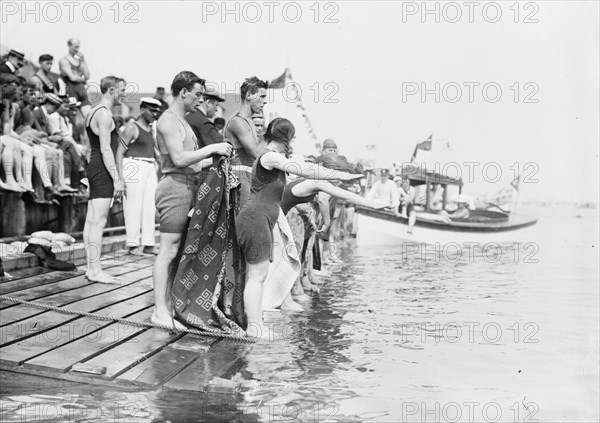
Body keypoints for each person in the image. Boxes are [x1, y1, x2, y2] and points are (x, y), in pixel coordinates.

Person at [235, 117, 362, 339]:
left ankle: (256, 324)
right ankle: (254, 326)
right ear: (284, 139)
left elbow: (309, 168)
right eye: (289, 141)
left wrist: (345, 175)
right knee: (257, 275)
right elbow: (305, 170)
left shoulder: (271, 156)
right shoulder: (270, 156)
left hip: (261, 218)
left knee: (259, 275)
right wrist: (342, 175)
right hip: (255, 218)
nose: (289, 146)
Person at [152, 71, 232, 330]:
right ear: (183, 91)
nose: (200, 99)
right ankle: (159, 311)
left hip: (188, 186)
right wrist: (211, 149)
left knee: (177, 254)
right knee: (168, 251)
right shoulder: (168, 121)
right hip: (174, 187)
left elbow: (194, 162)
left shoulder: (183, 121)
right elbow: (178, 159)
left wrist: (218, 158)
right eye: (197, 94)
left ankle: (169, 307)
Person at [83, 76, 126, 283]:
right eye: (122, 90)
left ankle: (90, 268)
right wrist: (117, 179)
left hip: (94, 166)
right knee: (98, 222)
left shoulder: (92, 111)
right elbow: (106, 148)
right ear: (111, 90)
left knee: (91, 220)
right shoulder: (105, 114)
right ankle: (96, 270)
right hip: (102, 169)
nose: (125, 94)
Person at [115, 97, 162, 255]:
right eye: (151, 110)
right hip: (133, 164)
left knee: (150, 206)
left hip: (150, 166)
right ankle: (132, 244)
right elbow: (119, 153)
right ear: (142, 110)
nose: (154, 113)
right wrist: (120, 179)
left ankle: (148, 243)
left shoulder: (152, 129)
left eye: (157, 111)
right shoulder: (131, 127)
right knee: (133, 205)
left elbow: (156, 152)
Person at [223, 76, 268, 209]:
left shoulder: (249, 121)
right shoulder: (237, 121)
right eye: (261, 97)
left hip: (248, 177)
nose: (264, 102)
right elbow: (256, 153)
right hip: (239, 178)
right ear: (248, 95)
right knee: (240, 225)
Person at [59, 38, 91, 117]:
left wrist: (83, 60)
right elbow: (72, 78)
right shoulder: (64, 60)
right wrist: (83, 79)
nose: (77, 49)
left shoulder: (79, 61)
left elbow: (87, 76)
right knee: (74, 118)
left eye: (78, 47)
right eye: (75, 47)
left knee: (89, 117)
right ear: (69, 46)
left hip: (82, 91)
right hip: (71, 90)